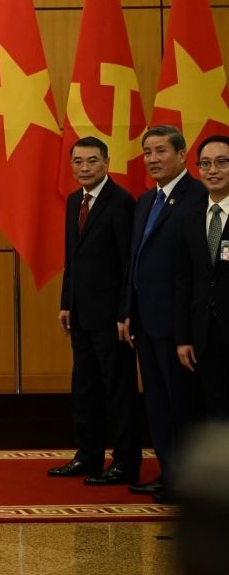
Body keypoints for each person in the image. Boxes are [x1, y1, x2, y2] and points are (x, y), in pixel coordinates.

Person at [49, 137, 141, 486]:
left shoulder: (121, 202)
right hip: (81, 314)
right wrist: (65, 303)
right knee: (85, 386)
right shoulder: (74, 200)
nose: (84, 168)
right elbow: (72, 259)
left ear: (107, 163)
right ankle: (87, 456)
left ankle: (126, 462)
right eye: (78, 161)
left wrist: (124, 312)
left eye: (92, 161)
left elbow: (126, 262)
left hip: (112, 318)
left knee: (118, 389)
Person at [124, 125, 204, 504]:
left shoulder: (198, 198)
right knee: (156, 404)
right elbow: (135, 263)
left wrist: (186, 329)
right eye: (147, 153)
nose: (153, 159)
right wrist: (127, 312)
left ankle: (189, 480)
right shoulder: (145, 200)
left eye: (160, 151)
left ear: (182, 154)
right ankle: (168, 474)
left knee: (183, 406)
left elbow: (195, 273)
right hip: (144, 322)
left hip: (177, 326)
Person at [174, 135, 229, 421]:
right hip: (206, 335)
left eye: (221, 162)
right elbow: (184, 281)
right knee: (216, 410)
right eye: (205, 164)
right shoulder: (190, 218)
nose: (213, 170)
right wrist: (183, 336)